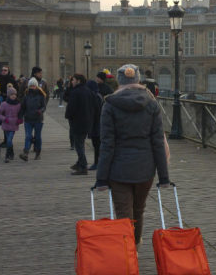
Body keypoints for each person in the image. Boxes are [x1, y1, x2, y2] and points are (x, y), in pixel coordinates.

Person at [94, 64, 171, 246]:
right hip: (145, 168)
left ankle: (128, 256)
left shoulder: (110, 105)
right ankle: (134, 247)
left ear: (119, 82)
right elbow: (158, 142)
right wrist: (164, 176)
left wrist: (101, 178)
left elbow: (107, 145)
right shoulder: (152, 103)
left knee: (123, 214)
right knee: (138, 210)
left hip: (118, 169)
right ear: (137, 80)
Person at [64, 73, 94, 175]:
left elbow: (71, 108)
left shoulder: (76, 92)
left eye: (73, 80)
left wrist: (68, 116)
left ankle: (83, 166)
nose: (71, 82)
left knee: (79, 145)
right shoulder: (88, 91)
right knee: (80, 143)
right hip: (87, 122)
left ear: (78, 81)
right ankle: (79, 163)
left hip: (77, 122)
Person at [18, 77, 47, 161]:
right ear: (28, 86)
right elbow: (23, 108)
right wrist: (20, 117)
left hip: (38, 119)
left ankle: (38, 153)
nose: (32, 87)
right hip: (28, 119)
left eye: (33, 86)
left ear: (36, 86)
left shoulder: (41, 96)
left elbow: (44, 107)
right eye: (30, 86)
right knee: (28, 136)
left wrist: (40, 111)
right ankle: (25, 153)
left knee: (37, 137)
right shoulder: (26, 96)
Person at [0, 87, 23, 162]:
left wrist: (20, 119)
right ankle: (11, 153)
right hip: (6, 124)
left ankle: (7, 156)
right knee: (9, 141)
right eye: (12, 94)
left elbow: (20, 114)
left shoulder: (18, 104)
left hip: (14, 125)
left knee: (9, 140)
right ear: (8, 95)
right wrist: (4, 119)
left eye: (15, 94)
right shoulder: (4, 104)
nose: (14, 96)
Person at [85, 78, 103, 170]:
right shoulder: (97, 95)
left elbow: (95, 112)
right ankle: (98, 162)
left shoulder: (95, 97)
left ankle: (97, 163)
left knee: (97, 145)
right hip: (96, 124)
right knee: (96, 145)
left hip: (96, 124)